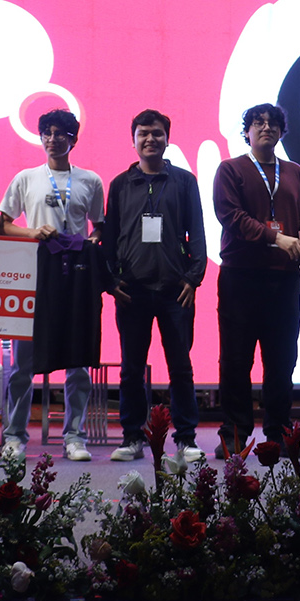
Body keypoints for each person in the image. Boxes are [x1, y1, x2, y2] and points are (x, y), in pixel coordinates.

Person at [0, 108, 106, 461]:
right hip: (35, 278)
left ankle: (74, 437)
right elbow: (3, 224)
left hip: (76, 279)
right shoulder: (26, 178)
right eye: (47, 132)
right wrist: (32, 232)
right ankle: (14, 437)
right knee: (22, 364)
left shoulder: (90, 180)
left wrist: (90, 242)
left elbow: (99, 226)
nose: (53, 139)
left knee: (79, 362)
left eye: (61, 133)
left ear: (73, 139)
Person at [101, 109, 207, 463]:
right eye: (143, 133)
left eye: (157, 133)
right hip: (131, 290)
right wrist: (111, 281)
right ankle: (132, 437)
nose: (150, 139)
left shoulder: (184, 181)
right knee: (131, 369)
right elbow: (110, 237)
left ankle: (186, 439)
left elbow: (197, 232)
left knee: (181, 368)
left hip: (176, 290)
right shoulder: (120, 184)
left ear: (167, 139)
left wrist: (193, 278)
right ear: (133, 140)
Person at [213, 103, 300, 457]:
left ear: (281, 132)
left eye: (273, 123)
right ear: (247, 132)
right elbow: (231, 216)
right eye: (258, 123)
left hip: (284, 277)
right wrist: (277, 238)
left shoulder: (294, 171)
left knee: (282, 360)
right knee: (236, 360)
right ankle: (235, 434)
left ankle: (279, 432)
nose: (266, 128)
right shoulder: (231, 169)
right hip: (241, 276)